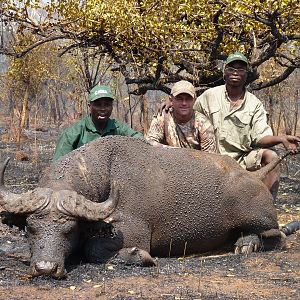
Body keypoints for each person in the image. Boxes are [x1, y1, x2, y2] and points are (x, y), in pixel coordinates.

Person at [193, 51, 300, 199]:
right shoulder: (209, 95)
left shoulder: (254, 104)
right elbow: (186, 109)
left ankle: (267, 209)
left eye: (241, 69)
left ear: (247, 75)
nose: (235, 72)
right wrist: (170, 102)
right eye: (231, 68)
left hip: (242, 159)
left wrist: (281, 138)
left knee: (272, 157)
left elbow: (261, 137)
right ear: (225, 73)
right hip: (211, 158)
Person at [53, 85, 143, 161]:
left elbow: (137, 138)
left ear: (112, 107)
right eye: (98, 105)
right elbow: (58, 165)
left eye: (107, 105)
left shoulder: (118, 127)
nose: (103, 109)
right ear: (90, 107)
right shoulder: (73, 133)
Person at [147, 80, 216, 152]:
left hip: (196, 161)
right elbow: (150, 143)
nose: (184, 103)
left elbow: (210, 158)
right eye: (179, 99)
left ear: (194, 100)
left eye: (188, 99)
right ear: (171, 100)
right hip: (166, 159)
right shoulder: (162, 116)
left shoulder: (204, 124)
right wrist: (176, 152)